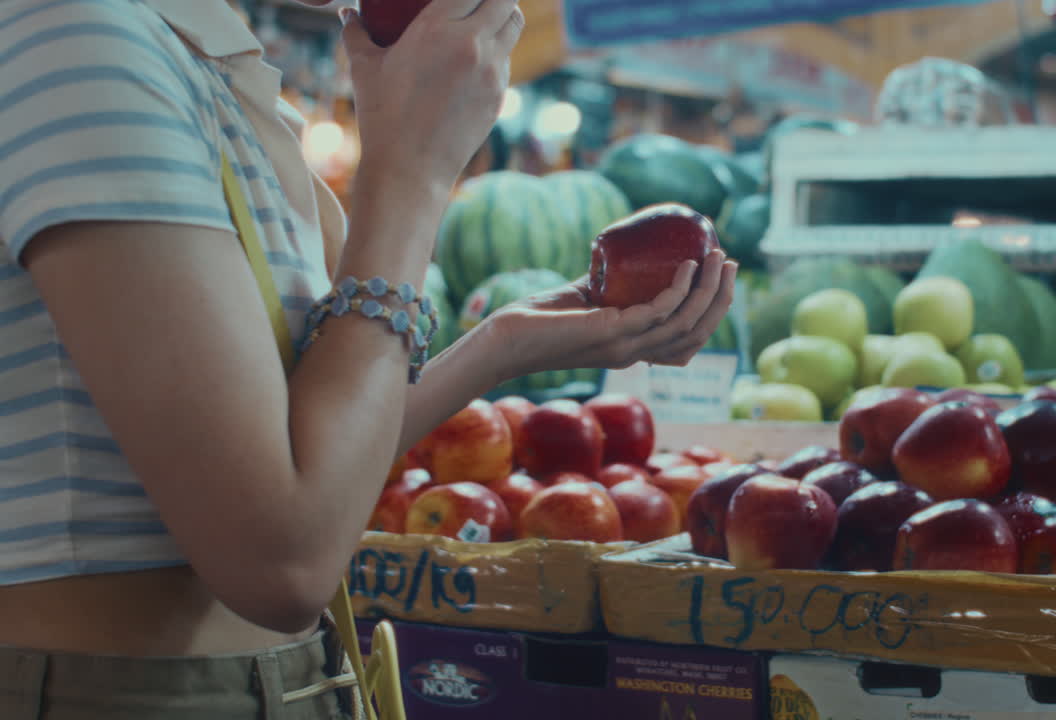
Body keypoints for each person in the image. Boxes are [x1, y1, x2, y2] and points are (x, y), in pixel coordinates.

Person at [0, 0, 736, 717]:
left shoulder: (193, 55)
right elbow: (281, 560)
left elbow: (303, 466)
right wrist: (412, 171)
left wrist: (502, 346)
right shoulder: (79, 39)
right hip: (119, 690)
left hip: (249, 677)